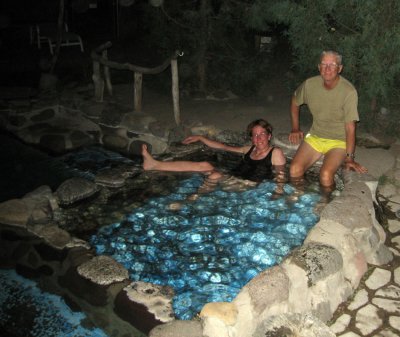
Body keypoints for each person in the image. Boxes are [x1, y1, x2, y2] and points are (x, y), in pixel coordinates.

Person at [289, 50, 367, 190]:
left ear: (340, 68)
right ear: (319, 67)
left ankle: (325, 202)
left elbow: (350, 128)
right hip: (315, 136)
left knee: (325, 175)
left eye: (332, 64)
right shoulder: (309, 85)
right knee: (294, 169)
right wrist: (295, 127)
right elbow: (295, 102)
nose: (327, 68)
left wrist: (350, 158)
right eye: (324, 64)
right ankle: (300, 200)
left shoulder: (348, 91)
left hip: (339, 142)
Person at [142, 119, 286, 184]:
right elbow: (223, 147)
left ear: (269, 136)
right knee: (205, 164)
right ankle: (154, 164)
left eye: (262, 134)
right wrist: (201, 138)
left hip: (248, 185)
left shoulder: (275, 153)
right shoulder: (250, 149)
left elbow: (280, 176)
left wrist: (278, 192)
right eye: (255, 135)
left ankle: (194, 198)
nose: (258, 138)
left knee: (215, 174)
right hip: (233, 177)